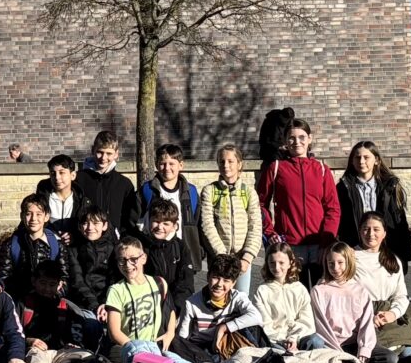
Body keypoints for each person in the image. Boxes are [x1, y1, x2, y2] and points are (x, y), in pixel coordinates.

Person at [257, 118, 340, 287]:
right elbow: (259, 204)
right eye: (291, 138)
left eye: (302, 137)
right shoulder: (276, 168)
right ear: (285, 141)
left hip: (319, 246)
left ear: (310, 139)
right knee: (294, 297)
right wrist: (270, 232)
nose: (297, 142)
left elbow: (333, 208)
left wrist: (327, 240)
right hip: (290, 245)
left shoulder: (322, 169)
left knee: (321, 296)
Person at [310, 241, 397, 363]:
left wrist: (365, 349)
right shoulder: (319, 291)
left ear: (348, 262)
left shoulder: (360, 290)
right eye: (331, 263)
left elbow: (367, 324)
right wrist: (337, 352)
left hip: (354, 344)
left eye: (340, 262)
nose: (335, 268)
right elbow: (321, 326)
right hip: (330, 345)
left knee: (389, 358)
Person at [352, 212, 411, 363]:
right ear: (359, 231)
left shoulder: (393, 260)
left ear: (384, 233)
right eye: (366, 229)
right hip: (360, 318)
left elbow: (401, 296)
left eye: (376, 229)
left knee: (408, 346)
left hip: (386, 317)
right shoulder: (350, 257)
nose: (371, 234)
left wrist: (392, 314)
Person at [173, 252, 265, 363]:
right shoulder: (191, 303)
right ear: (208, 276)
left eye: (226, 280)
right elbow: (183, 338)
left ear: (233, 283)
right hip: (202, 348)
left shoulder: (237, 298)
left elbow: (257, 317)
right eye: (216, 278)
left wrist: (224, 327)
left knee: (253, 328)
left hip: (226, 344)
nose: (219, 284)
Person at [337, 140, 411, 273]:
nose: (361, 161)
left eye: (366, 157)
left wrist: (404, 255)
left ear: (376, 160)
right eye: (357, 157)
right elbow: (340, 221)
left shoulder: (390, 186)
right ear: (352, 161)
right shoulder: (343, 188)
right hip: (356, 249)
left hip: (386, 248)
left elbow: (400, 222)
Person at [199, 143, 262, 294]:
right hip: (218, 258)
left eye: (230, 161)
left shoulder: (249, 192)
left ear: (239, 164)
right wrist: (222, 256)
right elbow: (207, 225)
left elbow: (255, 226)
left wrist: (247, 258)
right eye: (222, 161)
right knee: (218, 301)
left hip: (242, 261)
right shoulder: (210, 191)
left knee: (240, 301)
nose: (225, 165)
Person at [19, 259, 93, 363]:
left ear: (59, 285)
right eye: (43, 283)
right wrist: (29, 340)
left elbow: (73, 335)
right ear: (34, 281)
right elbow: (10, 334)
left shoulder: (65, 307)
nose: (47, 288)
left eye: (52, 284)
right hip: (34, 351)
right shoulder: (23, 304)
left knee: (88, 359)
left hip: (60, 352)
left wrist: (71, 344)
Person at [105, 236, 176, 352]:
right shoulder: (116, 290)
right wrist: (137, 350)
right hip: (133, 349)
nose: (128, 265)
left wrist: (170, 333)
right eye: (122, 260)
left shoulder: (159, 282)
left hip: (159, 347)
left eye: (133, 259)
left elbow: (170, 311)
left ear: (143, 258)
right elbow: (114, 332)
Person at [138, 143, 202, 270]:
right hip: (154, 258)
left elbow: (198, 224)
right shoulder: (147, 190)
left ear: (181, 165)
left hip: (184, 257)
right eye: (162, 163)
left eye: (172, 163)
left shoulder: (191, 192)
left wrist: (198, 251)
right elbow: (134, 222)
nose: (167, 168)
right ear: (156, 165)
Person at [0, 193, 70, 301]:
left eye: (39, 214)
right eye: (29, 214)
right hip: (20, 303)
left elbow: (65, 278)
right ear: (22, 216)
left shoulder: (57, 246)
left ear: (46, 216)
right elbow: (3, 278)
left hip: (51, 302)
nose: (33, 218)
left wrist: (55, 294)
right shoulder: (11, 245)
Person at [254, 241, 325, 351]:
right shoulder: (262, 290)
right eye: (272, 263)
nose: (277, 268)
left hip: (299, 338)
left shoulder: (299, 289)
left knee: (316, 341)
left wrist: (293, 338)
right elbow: (265, 325)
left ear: (290, 263)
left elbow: (307, 322)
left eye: (281, 263)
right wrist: (284, 340)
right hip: (275, 340)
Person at [137, 198, 195, 318]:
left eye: (166, 223)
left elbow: (185, 283)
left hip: (174, 308)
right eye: (156, 221)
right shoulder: (139, 246)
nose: (160, 227)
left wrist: (174, 309)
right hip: (145, 306)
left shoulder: (180, 247)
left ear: (174, 226)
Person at [77, 131, 138, 237]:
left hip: (113, 244)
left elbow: (129, 218)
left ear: (116, 154)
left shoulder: (124, 184)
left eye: (109, 153)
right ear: (93, 150)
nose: (103, 158)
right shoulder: (79, 179)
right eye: (100, 152)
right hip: (83, 242)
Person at [67, 205, 120, 317]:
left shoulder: (114, 249)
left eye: (96, 223)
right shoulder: (74, 250)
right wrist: (95, 306)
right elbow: (77, 281)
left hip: (110, 302)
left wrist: (106, 304)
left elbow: (114, 280)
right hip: (83, 303)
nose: (90, 228)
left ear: (105, 226)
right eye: (86, 223)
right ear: (80, 227)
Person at [35, 154, 85, 245]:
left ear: (72, 175)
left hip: (73, 254)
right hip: (46, 251)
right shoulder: (41, 199)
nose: (57, 177)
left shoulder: (82, 201)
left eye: (62, 173)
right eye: (53, 173)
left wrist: (75, 236)